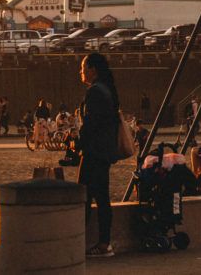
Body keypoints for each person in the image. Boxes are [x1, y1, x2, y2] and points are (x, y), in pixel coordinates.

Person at [76, 53, 119, 258]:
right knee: (102, 198)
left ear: (92, 69)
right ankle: (104, 243)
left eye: (83, 67)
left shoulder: (94, 92)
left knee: (82, 198)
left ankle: (76, 242)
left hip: (93, 152)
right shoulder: (108, 89)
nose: (81, 71)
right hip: (105, 152)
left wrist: (77, 144)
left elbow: (91, 124)